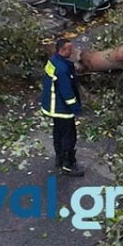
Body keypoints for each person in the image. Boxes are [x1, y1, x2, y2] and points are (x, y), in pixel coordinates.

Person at [40, 38, 82, 176]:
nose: (72, 51)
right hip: (61, 108)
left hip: (52, 106)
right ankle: (68, 165)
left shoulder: (53, 61)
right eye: (70, 49)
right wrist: (75, 108)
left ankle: (59, 160)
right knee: (69, 136)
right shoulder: (63, 69)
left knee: (58, 133)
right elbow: (67, 92)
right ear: (63, 50)